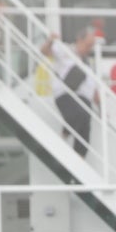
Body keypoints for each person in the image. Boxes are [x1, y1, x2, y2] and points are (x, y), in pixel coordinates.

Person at [43, 26, 102, 158]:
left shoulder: (89, 64)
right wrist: (50, 41)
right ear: (79, 40)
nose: (89, 49)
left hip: (83, 98)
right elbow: (44, 51)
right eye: (88, 45)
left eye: (91, 46)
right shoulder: (65, 50)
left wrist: (101, 108)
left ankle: (79, 156)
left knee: (86, 120)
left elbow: (94, 89)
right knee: (80, 114)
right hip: (65, 94)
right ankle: (63, 137)